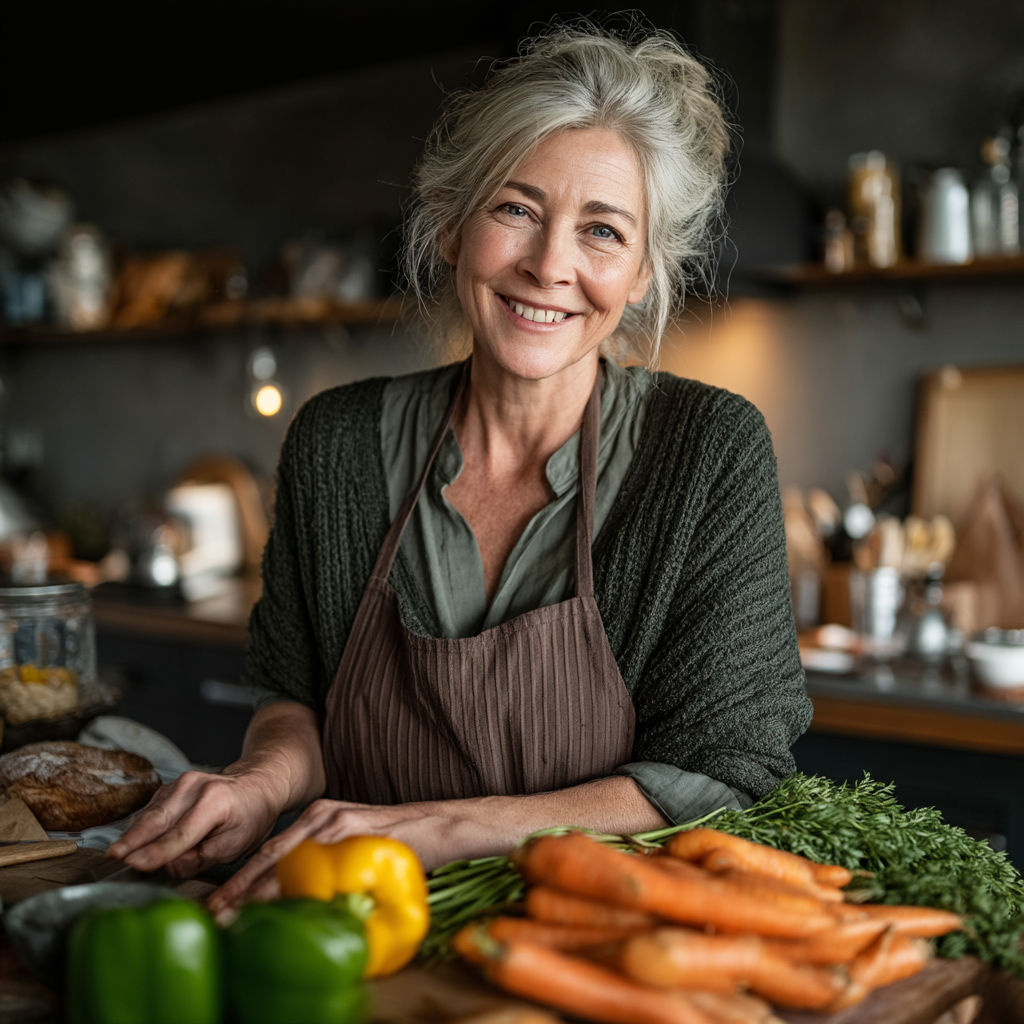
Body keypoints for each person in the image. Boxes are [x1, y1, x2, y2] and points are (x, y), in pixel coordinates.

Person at [110, 24, 811, 912]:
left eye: (602, 231)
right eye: (515, 209)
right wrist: (257, 783)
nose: (550, 265)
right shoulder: (336, 443)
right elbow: (297, 700)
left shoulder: (707, 450)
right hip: (351, 923)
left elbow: (726, 773)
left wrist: (442, 828)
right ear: (449, 225)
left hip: (593, 945)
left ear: (641, 273)